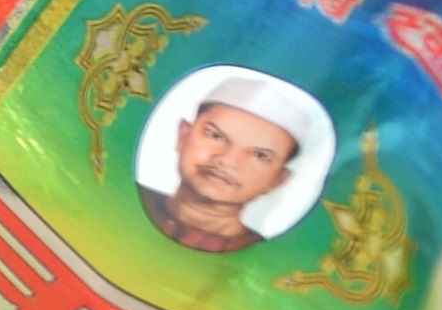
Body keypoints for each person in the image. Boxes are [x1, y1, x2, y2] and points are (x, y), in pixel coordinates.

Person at [135, 67, 332, 254]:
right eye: (216, 136)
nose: (227, 160)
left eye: (260, 155)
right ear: (184, 135)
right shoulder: (120, 195)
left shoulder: (260, 257)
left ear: (279, 180)